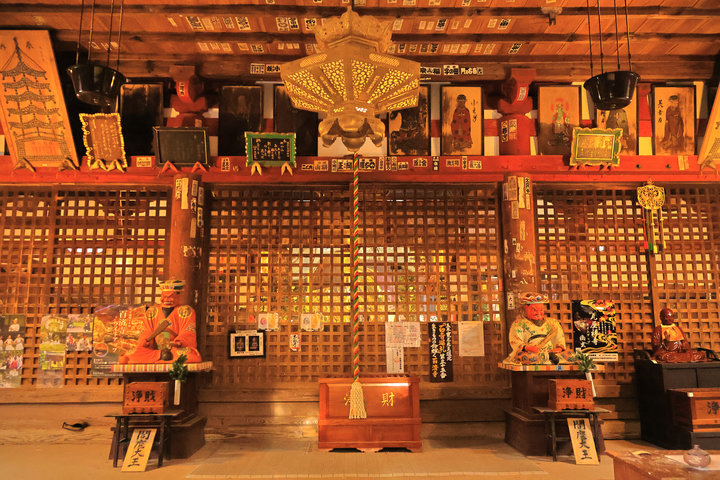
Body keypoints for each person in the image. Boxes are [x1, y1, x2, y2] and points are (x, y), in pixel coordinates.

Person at [120, 279, 202, 364]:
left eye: (170, 297)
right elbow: (146, 331)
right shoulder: (152, 311)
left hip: (175, 349)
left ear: (178, 295)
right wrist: (145, 341)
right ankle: (162, 355)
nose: (166, 300)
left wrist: (177, 343)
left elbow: (188, 333)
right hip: (155, 351)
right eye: (164, 297)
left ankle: (162, 357)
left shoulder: (186, 311)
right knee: (129, 355)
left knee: (190, 355)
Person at [504, 292, 576, 365]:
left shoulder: (553, 323)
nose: (538, 313)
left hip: (551, 352)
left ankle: (549, 357)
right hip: (532, 353)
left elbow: (560, 341)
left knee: (571, 355)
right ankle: (548, 357)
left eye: (541, 310)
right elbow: (515, 342)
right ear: (526, 309)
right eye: (534, 310)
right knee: (526, 357)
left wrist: (558, 349)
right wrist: (528, 348)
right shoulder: (519, 324)